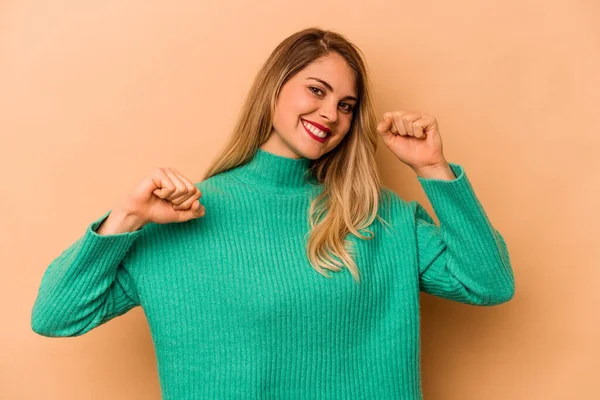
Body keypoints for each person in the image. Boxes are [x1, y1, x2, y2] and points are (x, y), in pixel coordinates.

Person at [31, 27, 515, 399]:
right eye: (317, 90)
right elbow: (55, 315)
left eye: (347, 105)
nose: (331, 113)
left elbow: (488, 283)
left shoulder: (377, 216)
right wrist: (128, 217)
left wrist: (432, 167)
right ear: (274, 88)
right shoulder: (181, 215)